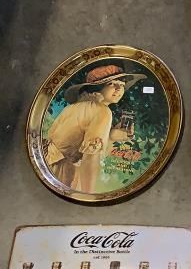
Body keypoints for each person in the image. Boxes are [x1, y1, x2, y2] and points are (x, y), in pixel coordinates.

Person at [44, 64, 145, 192]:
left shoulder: (76, 106)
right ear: (98, 87)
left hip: (50, 167)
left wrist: (111, 136)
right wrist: (88, 195)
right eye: (111, 84)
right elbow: (90, 158)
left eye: (122, 84)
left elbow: (75, 142)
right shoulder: (102, 111)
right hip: (65, 173)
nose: (119, 88)